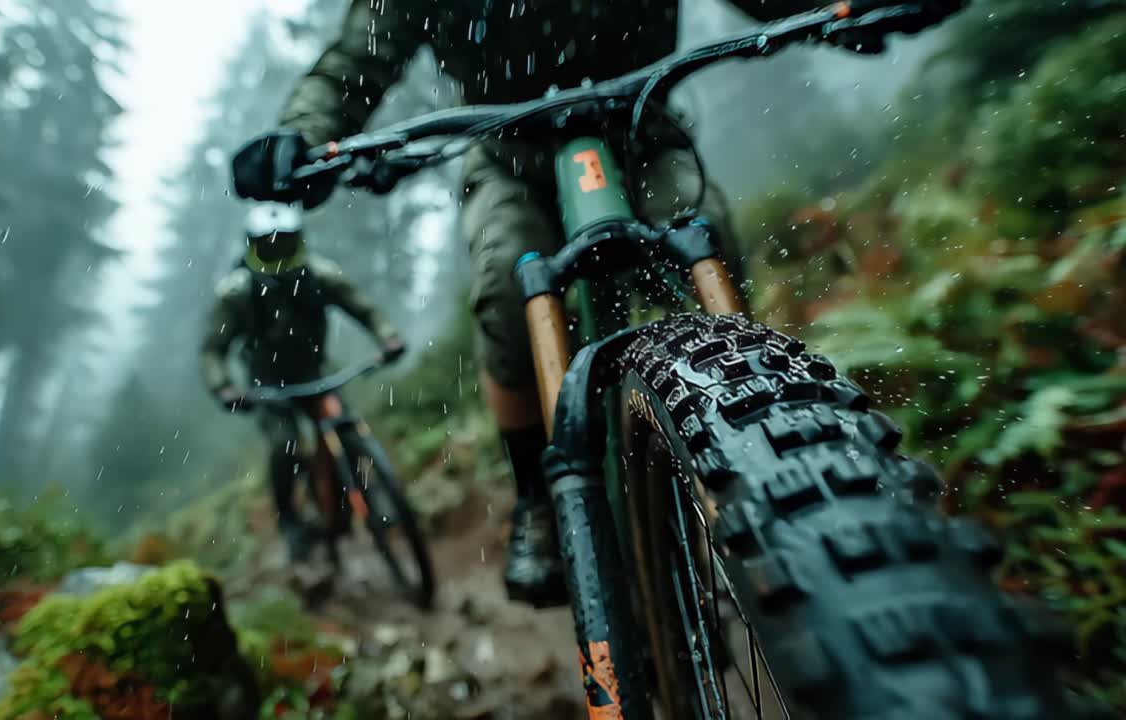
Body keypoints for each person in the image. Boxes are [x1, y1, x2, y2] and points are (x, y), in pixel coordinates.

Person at [230, 0, 955, 607]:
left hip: (638, 126)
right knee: (507, 292)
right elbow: (356, 60)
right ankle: (539, 499)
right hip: (508, 156)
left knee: (704, 243)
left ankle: (767, 426)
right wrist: (303, 135)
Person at [200, 204, 406, 559]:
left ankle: (372, 494)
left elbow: (364, 308)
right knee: (284, 446)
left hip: (316, 373)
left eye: (286, 245)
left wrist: (388, 337)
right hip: (268, 387)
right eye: (269, 247)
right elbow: (212, 350)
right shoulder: (236, 294)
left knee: (345, 425)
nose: (279, 256)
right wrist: (224, 387)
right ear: (251, 248)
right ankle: (290, 522)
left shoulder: (321, 276)